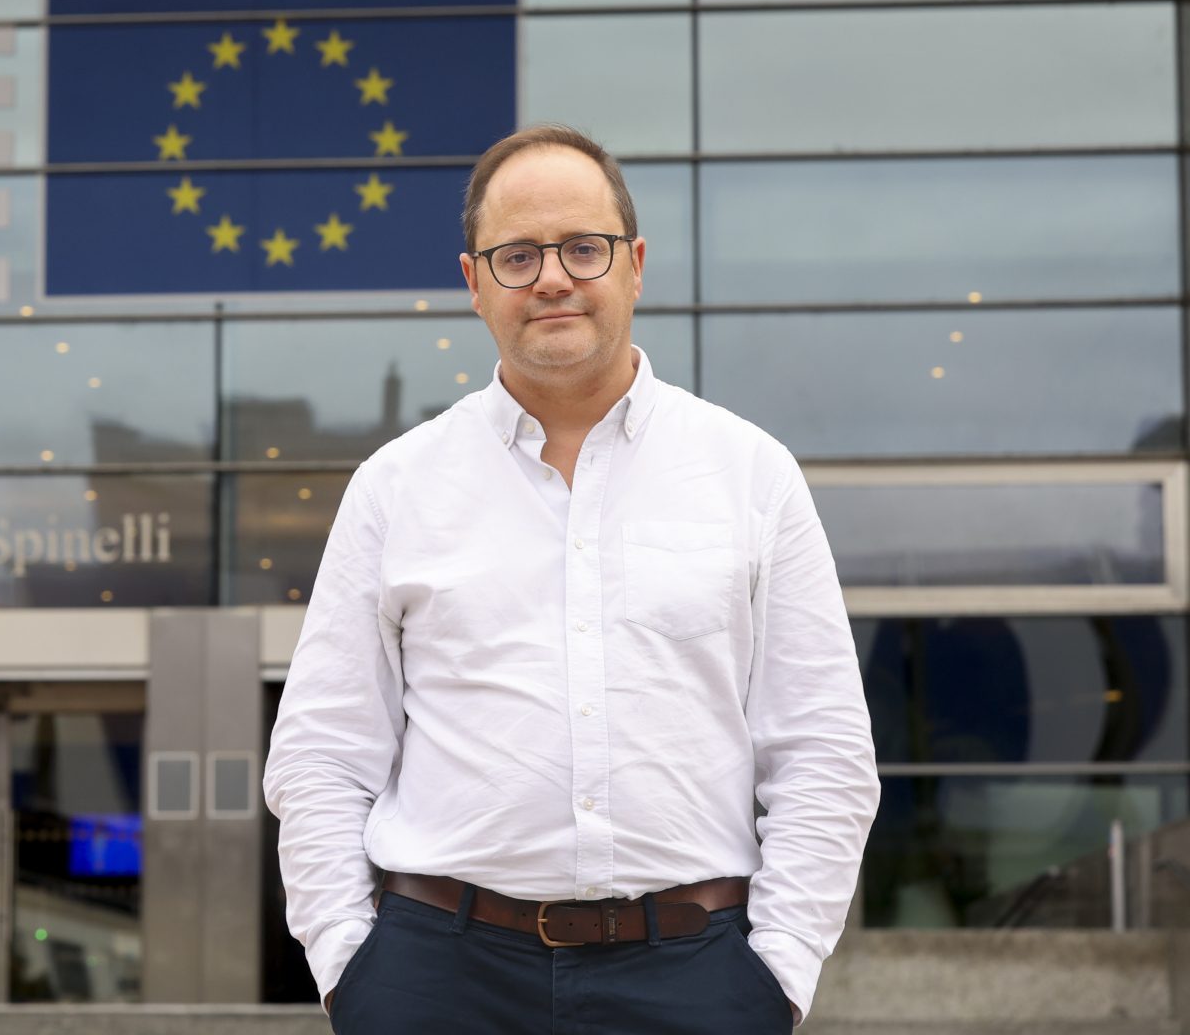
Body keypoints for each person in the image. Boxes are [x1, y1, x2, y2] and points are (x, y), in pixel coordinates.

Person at [263, 124, 879, 1032]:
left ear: (634, 265)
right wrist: (352, 973)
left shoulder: (750, 474)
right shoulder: (396, 488)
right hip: (437, 979)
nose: (552, 277)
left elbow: (823, 751)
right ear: (474, 285)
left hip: (696, 977)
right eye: (517, 255)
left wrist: (776, 979)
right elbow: (320, 755)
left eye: (583, 249)